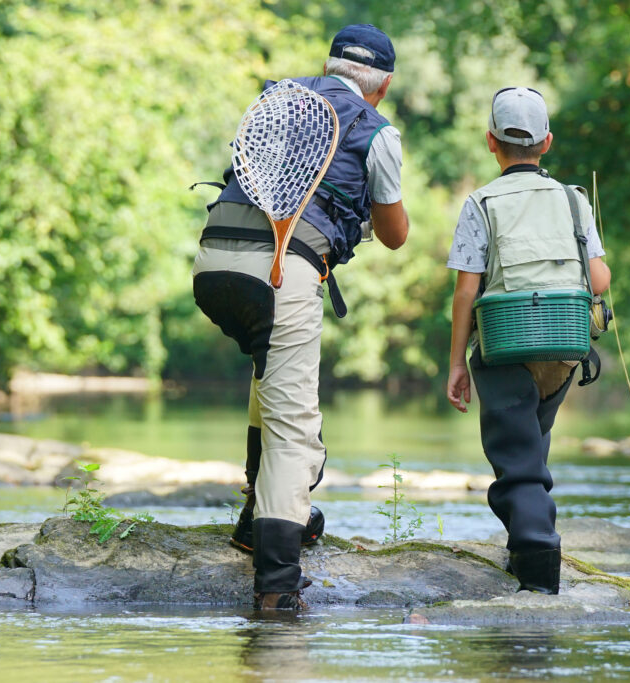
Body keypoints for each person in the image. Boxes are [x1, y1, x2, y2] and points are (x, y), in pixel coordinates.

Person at [192, 24, 409, 611]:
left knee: (271, 377)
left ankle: (250, 521)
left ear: (329, 66)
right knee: (294, 428)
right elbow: (395, 235)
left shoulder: (278, 99)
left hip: (213, 262)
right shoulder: (378, 131)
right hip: (282, 272)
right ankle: (277, 588)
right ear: (382, 87)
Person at [445, 87, 610, 595]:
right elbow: (599, 281)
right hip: (564, 346)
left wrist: (455, 365)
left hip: (505, 345)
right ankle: (526, 549)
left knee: (514, 456)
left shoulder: (480, 202)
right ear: (548, 143)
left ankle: (537, 551)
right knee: (531, 448)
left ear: (491, 142)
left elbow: (467, 290)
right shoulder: (573, 198)